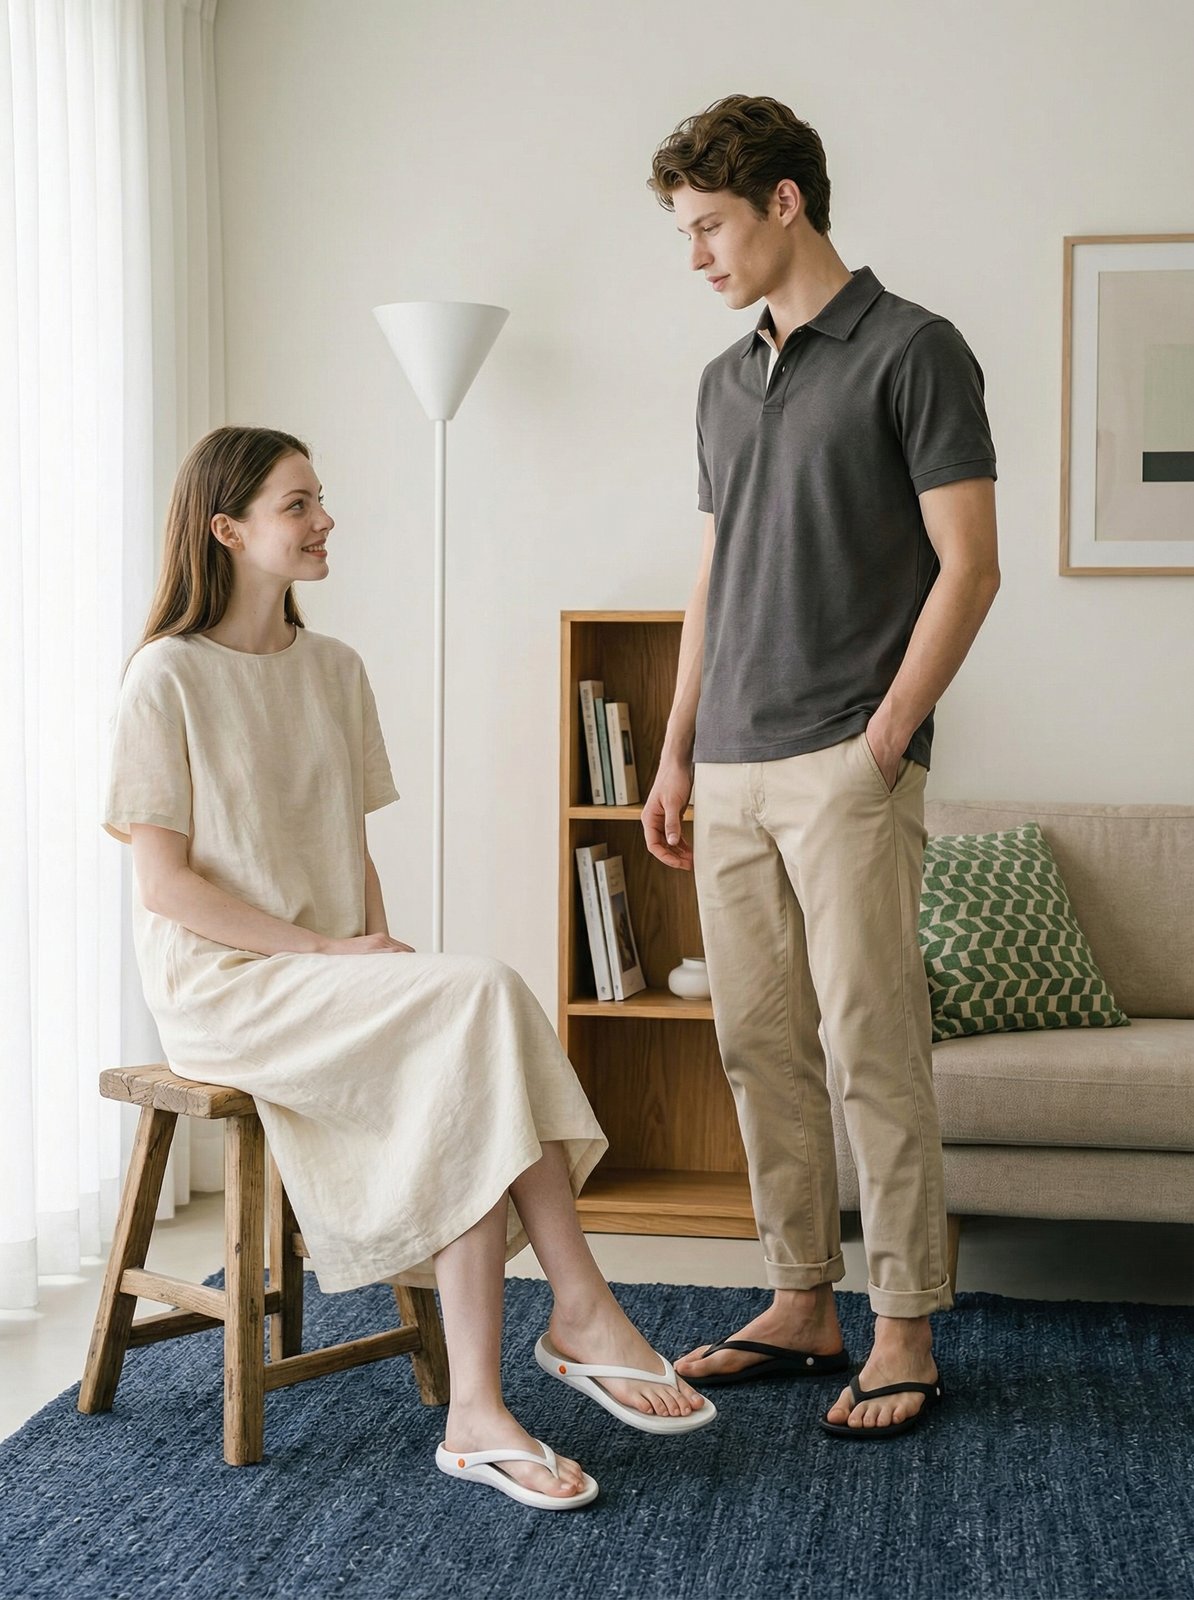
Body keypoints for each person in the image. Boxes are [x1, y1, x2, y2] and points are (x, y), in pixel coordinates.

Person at [101, 424, 714, 1511]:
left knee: (463, 1029)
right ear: (227, 529)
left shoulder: (336, 669)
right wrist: (341, 955)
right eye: (299, 504)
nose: (325, 518)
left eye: (319, 498)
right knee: (476, 1001)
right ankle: (576, 1311)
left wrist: (384, 962)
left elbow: (351, 849)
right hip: (227, 987)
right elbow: (167, 888)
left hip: (332, 974)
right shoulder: (166, 676)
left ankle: (482, 1411)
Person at [641, 96, 1000, 1439]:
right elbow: (712, 575)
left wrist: (885, 739)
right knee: (757, 1050)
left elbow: (969, 566)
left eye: (709, 225)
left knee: (872, 1049)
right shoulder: (722, 380)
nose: (696, 256)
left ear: (785, 201)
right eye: (684, 230)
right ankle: (800, 1301)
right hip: (727, 763)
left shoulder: (914, 351)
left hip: (845, 762)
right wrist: (675, 751)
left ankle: (901, 1321)